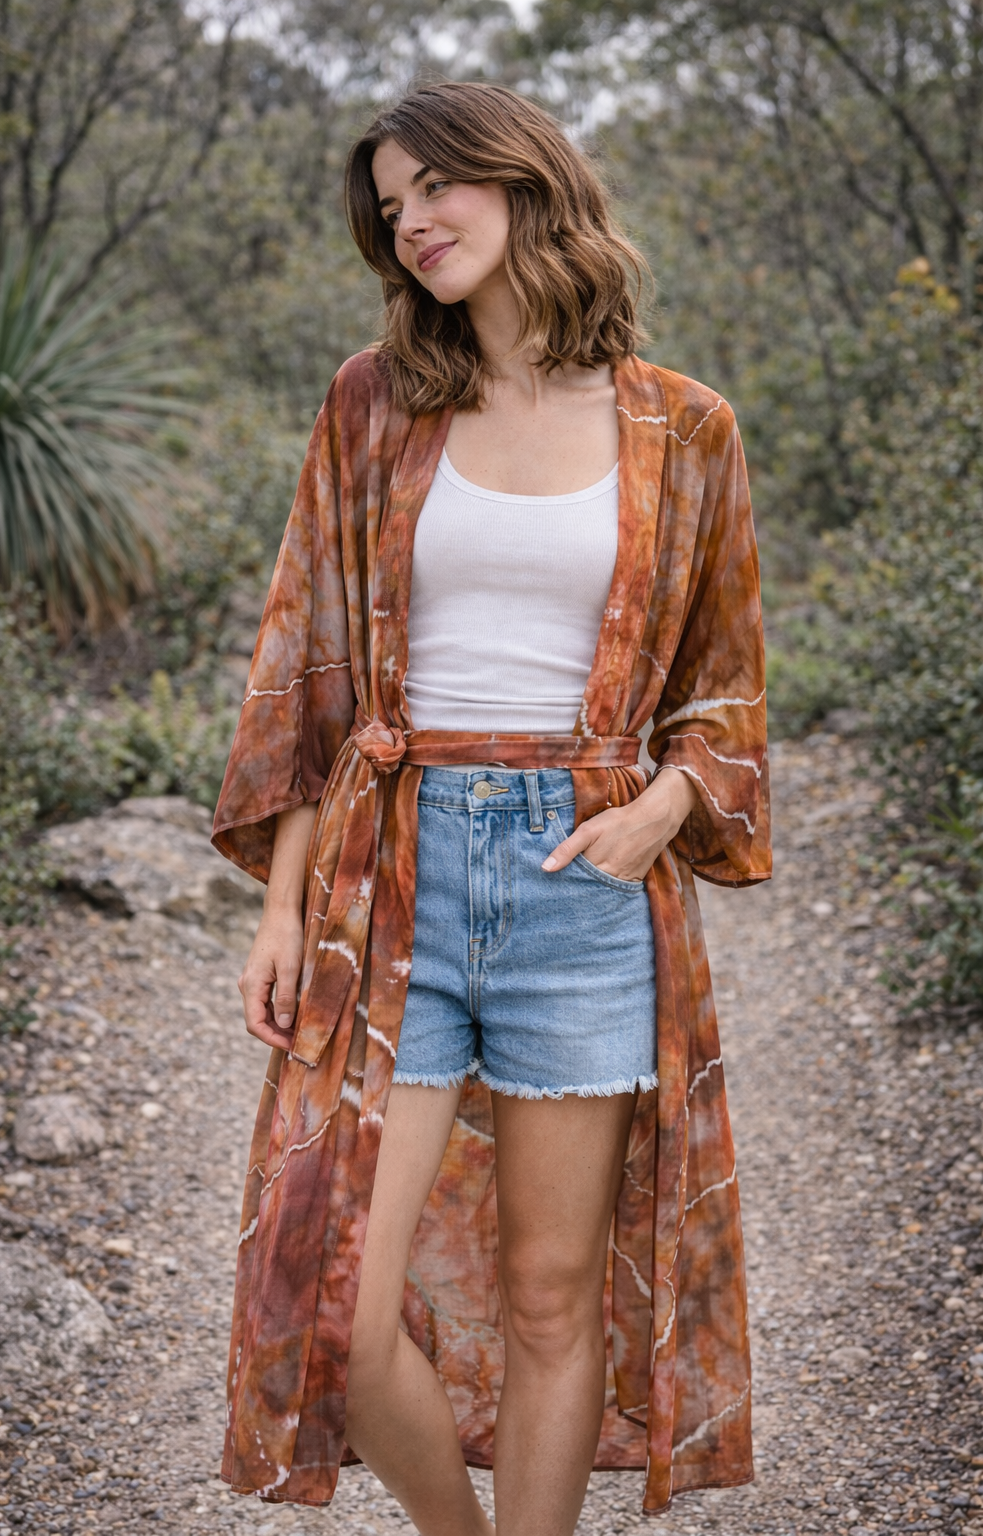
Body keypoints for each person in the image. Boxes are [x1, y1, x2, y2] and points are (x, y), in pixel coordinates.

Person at [212, 81, 770, 1536]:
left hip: (586, 885)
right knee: (328, 1296)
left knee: (549, 1297)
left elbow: (724, 697)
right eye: (390, 206)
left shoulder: (684, 429)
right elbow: (309, 676)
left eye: (434, 188)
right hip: (390, 871)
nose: (411, 223)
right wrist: (280, 911)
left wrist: (662, 806)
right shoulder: (374, 403)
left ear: (523, 182)